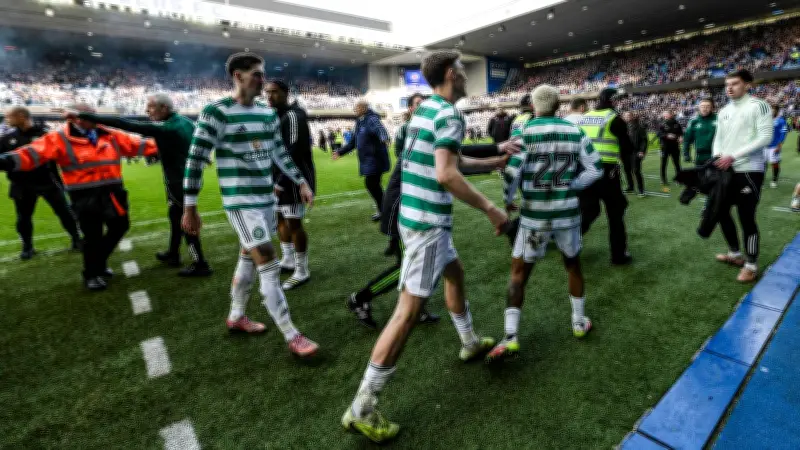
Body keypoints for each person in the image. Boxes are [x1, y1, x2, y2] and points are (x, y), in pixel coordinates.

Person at [341, 50, 512, 443]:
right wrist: (491, 209)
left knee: (456, 273)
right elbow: (447, 174)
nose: (468, 75)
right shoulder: (450, 114)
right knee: (407, 311)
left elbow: (449, 162)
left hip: (414, 216)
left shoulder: (425, 111)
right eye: (465, 69)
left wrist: (494, 162)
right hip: (428, 223)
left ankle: (469, 342)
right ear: (452, 73)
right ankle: (362, 406)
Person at [181, 52, 319, 356]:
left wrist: (300, 181)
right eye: (257, 74)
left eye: (263, 74)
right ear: (238, 76)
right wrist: (189, 207)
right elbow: (196, 161)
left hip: (267, 199)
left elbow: (280, 153)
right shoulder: (216, 112)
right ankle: (292, 334)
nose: (263, 80)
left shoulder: (266, 114)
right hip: (241, 202)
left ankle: (237, 316)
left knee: (247, 257)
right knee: (268, 261)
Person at [486, 84, 603, 362]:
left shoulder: (524, 132)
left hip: (535, 215)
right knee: (572, 265)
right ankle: (578, 322)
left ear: (533, 107)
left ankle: (511, 336)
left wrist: (508, 199)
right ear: (558, 105)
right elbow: (595, 168)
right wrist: (573, 185)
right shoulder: (575, 131)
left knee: (519, 272)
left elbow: (511, 172)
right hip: (567, 213)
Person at [0, 103, 157, 290]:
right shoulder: (59, 138)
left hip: (113, 193)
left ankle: (98, 263)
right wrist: (5, 161)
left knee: (120, 226)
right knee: (93, 236)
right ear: (76, 118)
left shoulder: (110, 134)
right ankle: (91, 275)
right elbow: (31, 154)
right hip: (84, 196)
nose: (97, 120)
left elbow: (139, 146)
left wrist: (171, 141)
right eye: (92, 116)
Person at [68, 94, 212, 277]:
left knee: (185, 222)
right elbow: (198, 142)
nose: (146, 111)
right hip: (186, 179)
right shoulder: (184, 122)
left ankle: (200, 262)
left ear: (164, 108)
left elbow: (128, 125)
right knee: (175, 217)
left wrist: (90, 117)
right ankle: (173, 254)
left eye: (150, 107)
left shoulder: (168, 127)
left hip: (179, 183)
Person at [346, 94, 440, 328]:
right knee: (406, 268)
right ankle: (360, 299)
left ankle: (418, 307)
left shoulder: (420, 134)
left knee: (439, 262)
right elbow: (450, 167)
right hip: (403, 211)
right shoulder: (417, 136)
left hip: (412, 208)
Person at [711, 69, 773, 283]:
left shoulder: (759, 105)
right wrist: (717, 156)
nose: (729, 87)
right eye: (727, 84)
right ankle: (735, 254)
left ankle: (751, 264)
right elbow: (717, 138)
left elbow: (765, 137)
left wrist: (733, 156)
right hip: (726, 170)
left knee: (746, 218)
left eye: (735, 83)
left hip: (749, 170)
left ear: (748, 84)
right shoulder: (723, 111)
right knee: (720, 212)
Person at [0, 107, 81, 259]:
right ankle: (27, 247)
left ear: (21, 116)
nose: (7, 120)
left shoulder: (45, 134)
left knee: (65, 213)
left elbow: (62, 155)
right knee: (23, 217)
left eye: (9, 117)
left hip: (47, 182)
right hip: (21, 185)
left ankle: (77, 239)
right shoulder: (6, 139)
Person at [264, 80, 316, 290]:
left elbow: (292, 150)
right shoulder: (276, 115)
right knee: (280, 219)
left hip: (294, 180)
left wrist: (281, 182)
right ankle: (287, 259)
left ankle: (302, 269)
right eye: (267, 93)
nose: (269, 96)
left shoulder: (294, 115)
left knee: (294, 223)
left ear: (286, 93)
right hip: (277, 178)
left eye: (274, 92)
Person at [578, 88, 634, 265]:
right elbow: (627, 149)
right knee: (616, 214)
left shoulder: (584, 117)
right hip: (607, 172)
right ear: (614, 100)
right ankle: (618, 255)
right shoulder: (614, 118)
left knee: (588, 211)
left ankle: (567, 241)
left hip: (585, 170)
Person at [332, 100, 391, 222]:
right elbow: (353, 142)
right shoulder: (360, 122)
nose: (355, 110)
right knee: (374, 185)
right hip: (368, 161)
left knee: (371, 184)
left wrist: (385, 138)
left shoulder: (371, 119)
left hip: (375, 159)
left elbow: (381, 130)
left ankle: (385, 210)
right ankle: (385, 210)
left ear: (364, 108)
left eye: (357, 108)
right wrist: (339, 152)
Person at [683, 98, 717, 167]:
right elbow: (687, 140)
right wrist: (686, 154)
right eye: (702, 106)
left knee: (716, 177)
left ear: (712, 108)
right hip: (700, 157)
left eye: (707, 106)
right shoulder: (693, 121)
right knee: (700, 177)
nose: (704, 108)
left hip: (716, 155)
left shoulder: (719, 119)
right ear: (699, 108)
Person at [657, 111, 683, 192]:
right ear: (663, 116)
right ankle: (663, 179)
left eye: (668, 114)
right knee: (664, 163)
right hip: (665, 147)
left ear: (671, 115)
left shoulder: (676, 123)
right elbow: (659, 134)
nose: (666, 116)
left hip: (675, 147)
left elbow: (681, 133)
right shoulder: (661, 124)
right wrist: (667, 135)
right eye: (665, 115)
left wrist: (681, 137)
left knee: (677, 164)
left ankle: (679, 179)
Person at [623, 111, 648, 197]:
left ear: (632, 116)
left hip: (636, 152)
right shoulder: (623, 127)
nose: (627, 117)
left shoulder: (639, 127)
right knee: (627, 170)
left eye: (629, 116)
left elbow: (644, 140)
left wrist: (642, 151)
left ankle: (641, 190)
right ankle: (630, 187)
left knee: (636, 171)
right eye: (625, 116)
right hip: (625, 153)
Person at [766, 104, 789, 189]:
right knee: (762, 164)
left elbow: (783, 132)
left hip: (774, 146)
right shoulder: (767, 120)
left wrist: (779, 144)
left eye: (773, 109)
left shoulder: (781, 121)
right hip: (764, 146)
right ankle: (761, 180)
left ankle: (774, 180)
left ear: (777, 110)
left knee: (774, 163)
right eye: (771, 109)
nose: (771, 111)